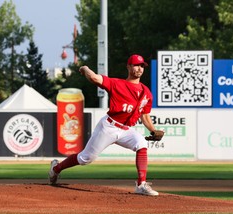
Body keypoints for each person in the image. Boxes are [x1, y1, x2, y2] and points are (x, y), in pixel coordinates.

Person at [48, 54, 163, 196]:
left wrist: (152, 130)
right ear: (128, 67)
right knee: (86, 158)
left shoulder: (146, 93)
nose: (139, 68)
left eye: (142, 66)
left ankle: (141, 185)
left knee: (141, 143)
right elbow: (95, 78)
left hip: (126, 130)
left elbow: (144, 115)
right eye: (136, 65)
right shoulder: (117, 84)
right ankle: (56, 168)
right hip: (109, 127)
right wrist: (86, 68)